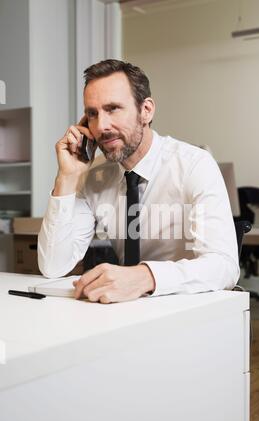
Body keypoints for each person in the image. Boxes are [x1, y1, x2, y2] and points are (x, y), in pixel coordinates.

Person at [38, 59, 239, 304]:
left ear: (146, 111)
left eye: (112, 109)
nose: (101, 126)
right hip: (124, 309)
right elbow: (53, 266)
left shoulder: (194, 165)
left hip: (185, 305)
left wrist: (145, 277)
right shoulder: (93, 176)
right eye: (92, 114)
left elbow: (224, 266)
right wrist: (67, 177)